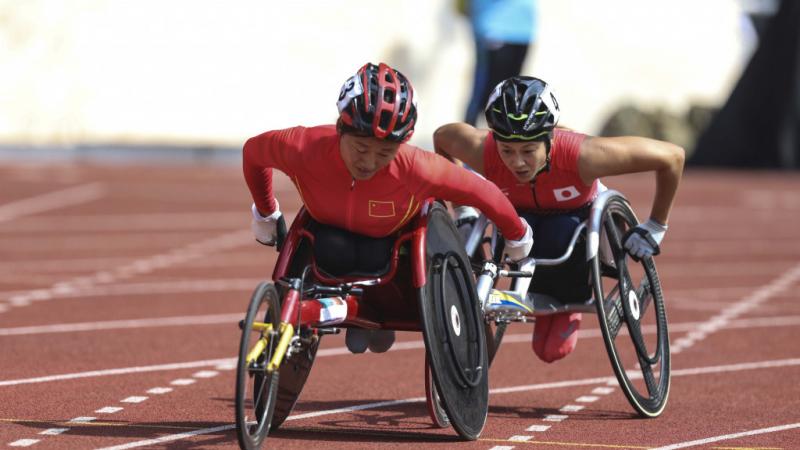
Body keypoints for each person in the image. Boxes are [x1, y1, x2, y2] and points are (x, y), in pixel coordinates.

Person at [243, 62, 534, 355]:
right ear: (341, 128)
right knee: (334, 248)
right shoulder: (303, 146)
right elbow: (253, 153)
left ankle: (376, 313)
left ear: (402, 144)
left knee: (378, 274)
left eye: (384, 153)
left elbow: (483, 192)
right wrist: (266, 213)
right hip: (329, 245)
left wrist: (517, 235)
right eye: (360, 148)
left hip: (397, 259)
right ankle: (360, 314)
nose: (369, 162)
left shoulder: (418, 168)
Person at [434, 76, 684, 363]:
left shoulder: (583, 155)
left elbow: (672, 157)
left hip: (573, 235)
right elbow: (443, 139)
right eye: (507, 151)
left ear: (549, 139)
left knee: (550, 351)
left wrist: (656, 225)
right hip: (521, 235)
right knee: (546, 348)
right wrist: (463, 211)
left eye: (528, 151)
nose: (517, 162)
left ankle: (567, 303)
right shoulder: (483, 151)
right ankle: (529, 297)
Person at [462, 0, 537, 126]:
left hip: (524, 28)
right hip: (494, 26)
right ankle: (466, 134)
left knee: (510, 92)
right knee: (484, 90)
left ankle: (503, 137)